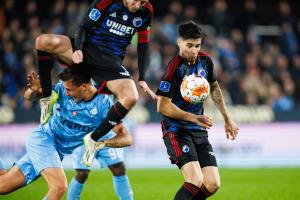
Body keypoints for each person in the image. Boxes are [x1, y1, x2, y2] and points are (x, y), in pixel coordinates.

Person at [35, 0, 156, 166]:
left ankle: (93, 140)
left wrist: (142, 77)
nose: (138, 5)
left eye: (143, 1)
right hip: (86, 49)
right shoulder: (107, 2)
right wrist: (77, 49)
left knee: (131, 97)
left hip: (110, 62)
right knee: (43, 41)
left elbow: (143, 44)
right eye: (136, 1)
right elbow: (84, 26)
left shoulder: (146, 10)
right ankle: (47, 97)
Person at [0, 68, 132, 200]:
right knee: (59, 187)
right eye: (66, 89)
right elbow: (29, 97)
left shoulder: (103, 105)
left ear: (85, 87)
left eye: (70, 90)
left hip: (56, 152)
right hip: (44, 140)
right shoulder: (62, 89)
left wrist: (101, 143)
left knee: (3, 186)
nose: (67, 93)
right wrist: (33, 90)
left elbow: (126, 138)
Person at [156, 21, 239, 200]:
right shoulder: (174, 68)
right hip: (176, 129)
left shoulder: (206, 61)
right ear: (179, 42)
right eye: (189, 45)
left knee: (212, 183)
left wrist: (227, 118)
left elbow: (215, 88)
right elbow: (162, 106)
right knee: (194, 180)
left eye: (197, 45)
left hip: (198, 130)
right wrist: (194, 118)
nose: (194, 50)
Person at [68, 128, 133, 200]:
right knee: (82, 173)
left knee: (118, 167)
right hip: (83, 136)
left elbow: (119, 126)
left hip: (106, 135)